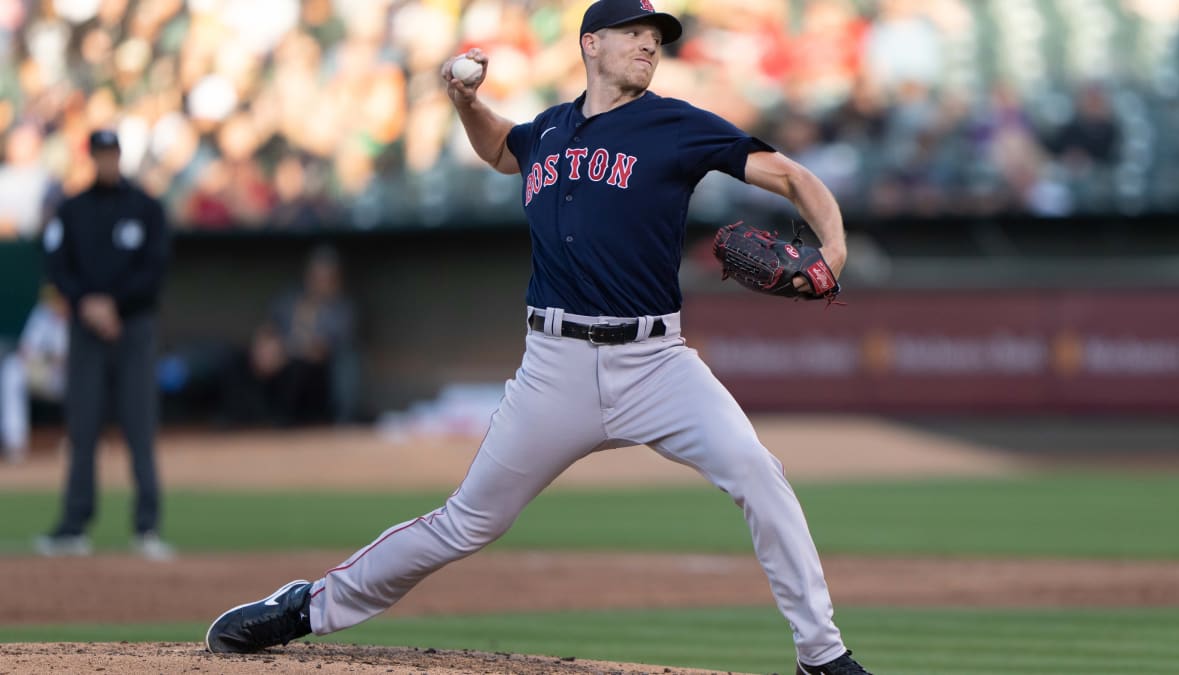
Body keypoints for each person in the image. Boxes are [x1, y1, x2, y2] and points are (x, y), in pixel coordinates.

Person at [205, 2, 868, 674]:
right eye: (633, 33)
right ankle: (306, 606)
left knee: (759, 473)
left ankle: (822, 654)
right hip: (556, 368)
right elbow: (499, 147)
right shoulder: (548, 131)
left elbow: (791, 176)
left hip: (656, 363)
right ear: (591, 45)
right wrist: (466, 104)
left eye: (655, 37)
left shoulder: (676, 125)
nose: (648, 45)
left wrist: (833, 250)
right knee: (467, 522)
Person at [36, 129, 175, 562]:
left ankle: (147, 527)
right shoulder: (72, 209)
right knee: (83, 427)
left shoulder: (146, 207)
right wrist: (88, 303)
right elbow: (58, 265)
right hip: (86, 330)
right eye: (99, 155)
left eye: (112, 154)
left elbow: (155, 268)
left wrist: (115, 303)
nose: (106, 162)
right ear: (91, 158)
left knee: (139, 425)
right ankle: (74, 527)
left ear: (121, 156)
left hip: (133, 329)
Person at [218, 245, 357, 427]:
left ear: (336, 280)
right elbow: (269, 329)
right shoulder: (290, 300)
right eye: (316, 276)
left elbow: (323, 351)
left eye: (326, 277)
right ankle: (239, 417)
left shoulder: (342, 310)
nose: (319, 282)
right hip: (279, 357)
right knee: (238, 360)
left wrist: (286, 352)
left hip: (313, 370)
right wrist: (264, 349)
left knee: (297, 369)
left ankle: (281, 422)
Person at [1, 285, 70, 463]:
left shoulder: (80, 315)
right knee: (11, 370)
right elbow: (26, 350)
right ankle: (15, 444)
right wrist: (41, 361)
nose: (56, 301)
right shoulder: (42, 314)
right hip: (47, 375)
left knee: (85, 379)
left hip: (72, 377)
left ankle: (80, 440)